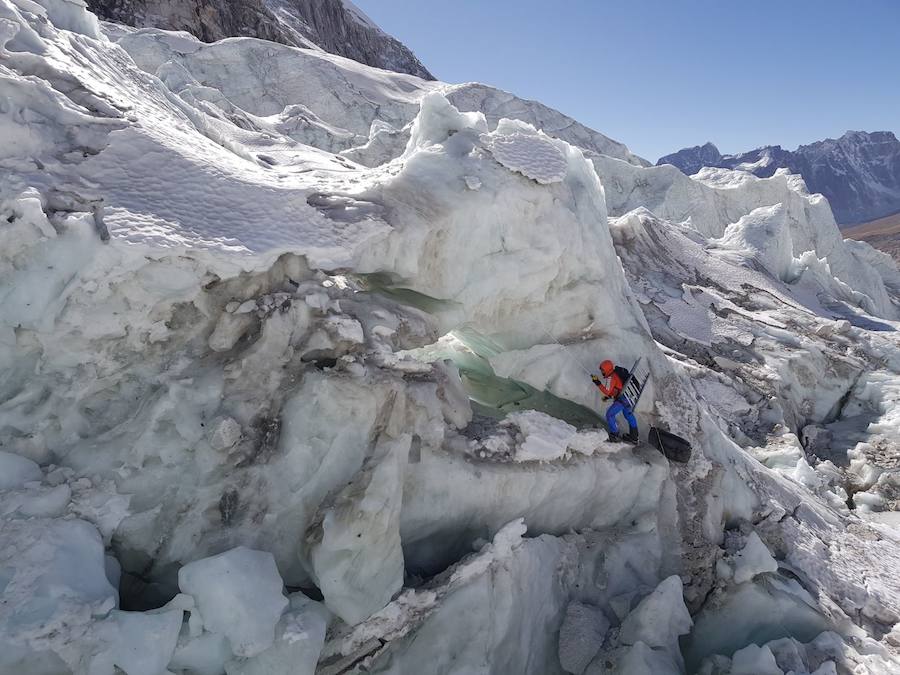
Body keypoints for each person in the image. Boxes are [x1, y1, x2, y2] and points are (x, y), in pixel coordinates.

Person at [591, 360, 639, 443]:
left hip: (622, 399)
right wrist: (609, 397)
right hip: (628, 397)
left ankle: (615, 434)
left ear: (607, 369)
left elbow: (607, 390)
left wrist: (597, 382)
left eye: (602, 370)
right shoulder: (615, 374)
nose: (601, 371)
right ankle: (634, 437)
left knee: (610, 414)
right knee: (628, 415)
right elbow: (617, 388)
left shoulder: (611, 377)